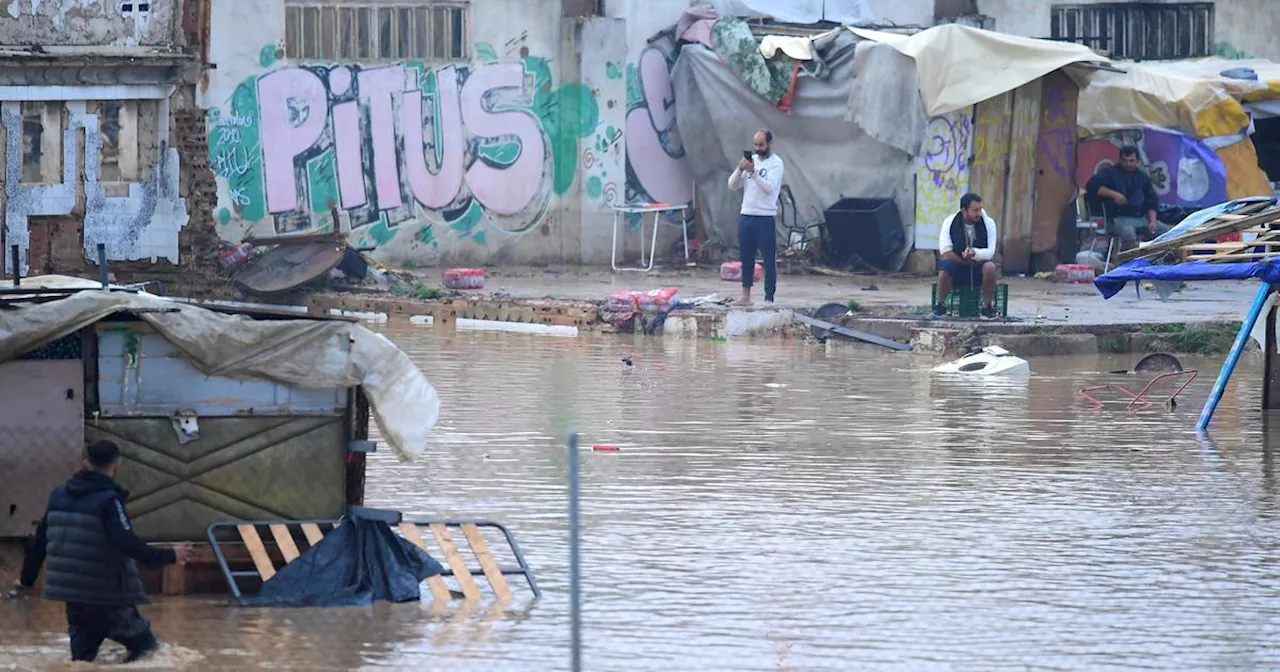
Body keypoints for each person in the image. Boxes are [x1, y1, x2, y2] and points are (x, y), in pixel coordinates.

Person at [9, 440, 191, 663]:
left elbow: (39, 542)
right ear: (116, 467)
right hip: (107, 596)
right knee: (149, 654)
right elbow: (127, 543)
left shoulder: (58, 495)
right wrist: (170, 555)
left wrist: (27, 580)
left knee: (82, 662)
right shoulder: (109, 500)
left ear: (86, 463)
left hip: (73, 598)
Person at [727, 129, 784, 306]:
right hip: (747, 214)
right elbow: (732, 185)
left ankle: (769, 297)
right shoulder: (751, 161)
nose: (758, 148)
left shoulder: (776, 164)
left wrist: (753, 174)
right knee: (746, 258)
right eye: (756, 145)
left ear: (769, 144)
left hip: (765, 216)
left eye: (761, 145)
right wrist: (740, 168)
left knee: (768, 258)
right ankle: (746, 296)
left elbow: (769, 188)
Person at [1085, 146, 1170, 251]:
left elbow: (1151, 201)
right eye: (1125, 161)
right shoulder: (1110, 173)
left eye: (1131, 161)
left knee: (1166, 232)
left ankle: (1160, 261)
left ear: (1137, 161)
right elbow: (1092, 186)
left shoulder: (1142, 177)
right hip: (1117, 219)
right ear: (1120, 160)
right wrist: (1114, 195)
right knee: (1128, 233)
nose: (1128, 164)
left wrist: (1152, 221)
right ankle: (1127, 261)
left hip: (1141, 218)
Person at [934, 192, 999, 319]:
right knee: (946, 266)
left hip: (978, 267)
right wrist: (963, 259)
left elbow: (990, 252)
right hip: (958, 265)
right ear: (964, 210)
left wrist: (974, 253)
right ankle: (940, 306)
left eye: (980, 209)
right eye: (975, 210)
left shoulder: (988, 223)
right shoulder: (950, 222)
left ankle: (987, 307)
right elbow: (946, 252)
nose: (978, 214)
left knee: (990, 267)